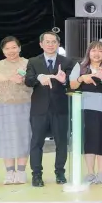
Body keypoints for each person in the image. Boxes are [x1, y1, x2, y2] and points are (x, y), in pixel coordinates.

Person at [24, 31, 74, 187]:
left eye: (54, 42)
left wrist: (64, 79)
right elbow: (28, 81)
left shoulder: (67, 62)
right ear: (41, 44)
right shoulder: (33, 61)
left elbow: (72, 83)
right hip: (39, 109)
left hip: (60, 109)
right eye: (47, 42)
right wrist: (39, 78)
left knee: (61, 142)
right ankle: (36, 175)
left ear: (58, 44)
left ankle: (60, 173)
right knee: (36, 142)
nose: (50, 44)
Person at [0, 36, 32, 184]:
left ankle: (21, 172)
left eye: (14, 47)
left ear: (19, 48)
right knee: (6, 140)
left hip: (24, 105)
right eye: (7, 48)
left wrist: (24, 80)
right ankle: (10, 173)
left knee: (23, 138)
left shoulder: (27, 63)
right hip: (3, 107)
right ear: (3, 51)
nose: (11, 51)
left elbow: (34, 82)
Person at [69, 40, 102, 184]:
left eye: (100, 51)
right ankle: (90, 172)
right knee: (89, 140)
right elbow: (72, 85)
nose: (97, 54)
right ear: (89, 52)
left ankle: (101, 173)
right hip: (85, 108)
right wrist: (82, 78)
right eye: (94, 50)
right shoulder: (80, 67)